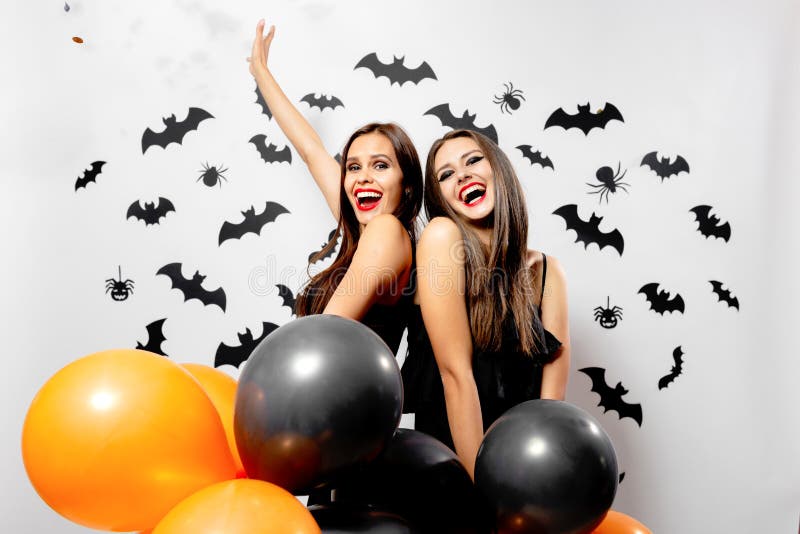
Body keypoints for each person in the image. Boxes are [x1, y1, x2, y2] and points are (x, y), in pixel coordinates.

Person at [401, 129, 571, 478]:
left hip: (525, 473)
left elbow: (550, 411)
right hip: (453, 476)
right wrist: (483, 494)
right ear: (441, 197)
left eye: (473, 160)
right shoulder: (440, 238)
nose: (462, 175)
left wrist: (536, 489)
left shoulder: (548, 273)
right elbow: (455, 376)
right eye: (446, 175)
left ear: (499, 170)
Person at [247, 20, 422, 353]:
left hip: (340, 401)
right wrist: (261, 72)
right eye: (353, 167)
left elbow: (324, 336)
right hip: (323, 392)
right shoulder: (365, 231)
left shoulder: (387, 231)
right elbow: (311, 150)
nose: (363, 177)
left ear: (408, 185)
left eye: (380, 165)